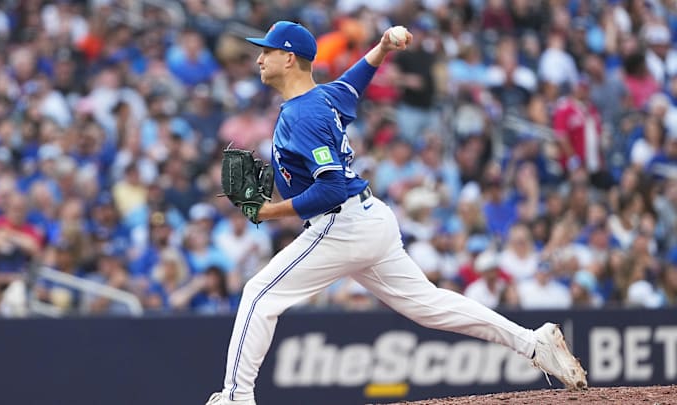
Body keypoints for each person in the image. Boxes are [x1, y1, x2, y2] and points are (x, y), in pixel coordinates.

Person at [205, 21, 587, 405]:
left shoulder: (303, 115)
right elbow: (355, 81)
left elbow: (331, 187)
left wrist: (270, 213)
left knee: (258, 294)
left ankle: (237, 397)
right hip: (368, 218)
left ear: (288, 58)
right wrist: (383, 47)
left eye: (267, 51)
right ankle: (534, 343)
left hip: (343, 223)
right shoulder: (324, 97)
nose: (259, 58)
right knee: (430, 306)